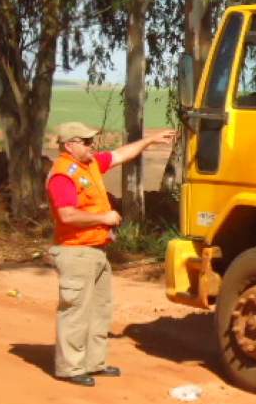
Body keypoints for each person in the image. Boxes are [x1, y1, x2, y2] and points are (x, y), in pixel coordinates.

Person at [46, 122, 176, 387]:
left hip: (96, 251)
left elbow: (120, 154)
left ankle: (94, 363)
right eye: (85, 141)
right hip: (76, 251)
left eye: (91, 140)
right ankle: (69, 367)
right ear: (69, 145)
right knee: (75, 311)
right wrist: (103, 217)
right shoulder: (63, 174)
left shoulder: (90, 164)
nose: (91, 145)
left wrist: (150, 141)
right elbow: (66, 215)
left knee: (99, 309)